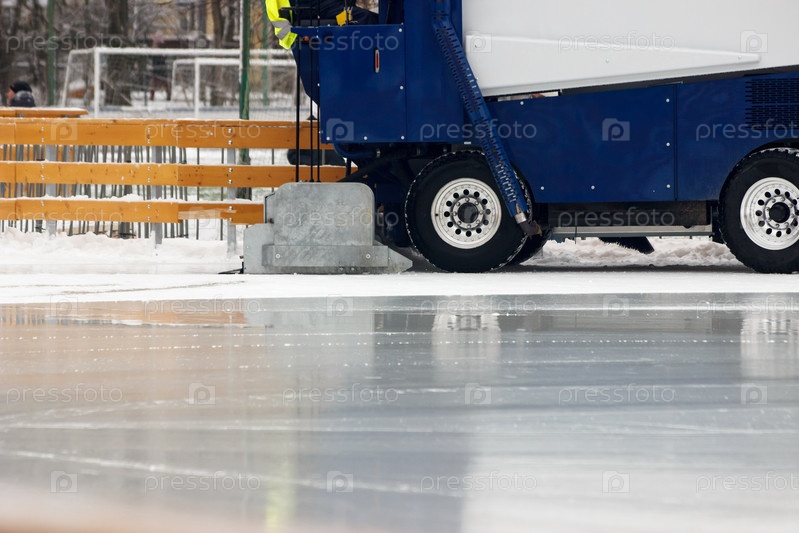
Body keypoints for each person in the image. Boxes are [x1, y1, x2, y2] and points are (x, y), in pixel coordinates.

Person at [267, 0, 378, 50]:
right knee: (364, 18)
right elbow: (280, 24)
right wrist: (294, 34)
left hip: (311, 8)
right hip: (308, 9)